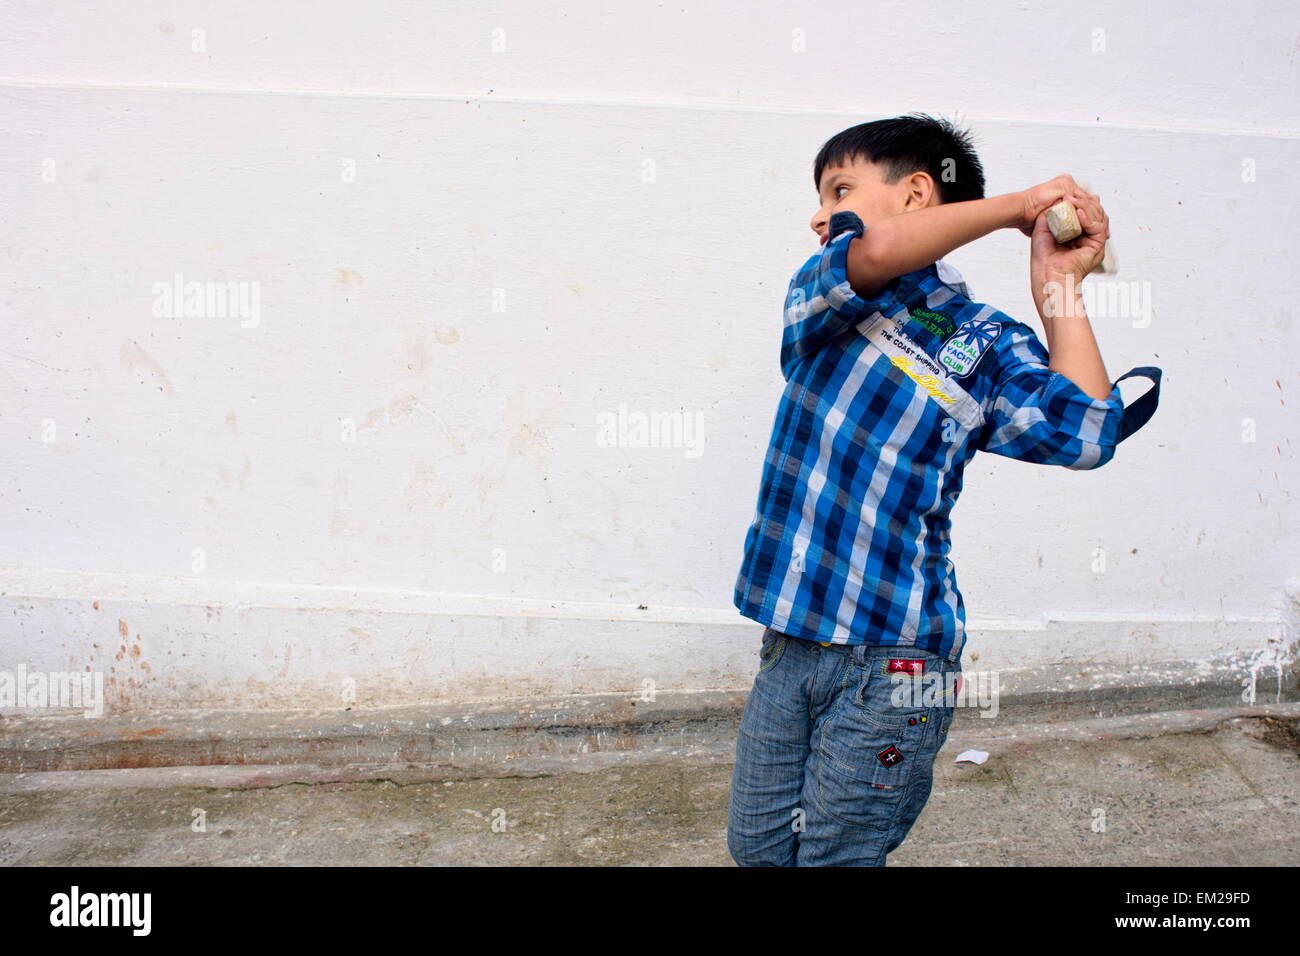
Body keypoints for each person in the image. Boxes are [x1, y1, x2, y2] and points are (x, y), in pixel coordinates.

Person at [727, 113, 1161, 866]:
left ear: (919, 191)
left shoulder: (988, 343)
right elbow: (881, 251)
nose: (818, 211)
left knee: (835, 857)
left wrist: (1057, 282)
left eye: (840, 188)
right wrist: (1016, 206)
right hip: (791, 644)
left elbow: (1086, 433)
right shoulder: (825, 296)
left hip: (899, 664)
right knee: (758, 850)